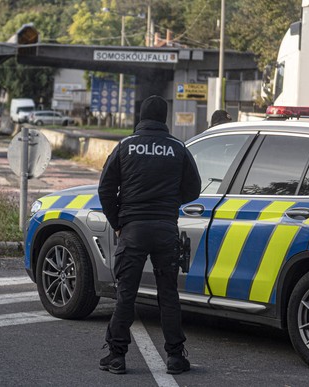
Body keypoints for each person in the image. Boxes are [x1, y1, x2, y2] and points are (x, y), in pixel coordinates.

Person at [98, 95, 202, 375]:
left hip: (132, 230)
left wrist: (118, 220)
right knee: (168, 295)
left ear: (140, 117)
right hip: (165, 230)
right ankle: (176, 358)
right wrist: (169, 203)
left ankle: (117, 357)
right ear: (165, 118)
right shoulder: (178, 148)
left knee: (126, 295)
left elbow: (105, 189)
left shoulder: (125, 146)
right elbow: (194, 189)